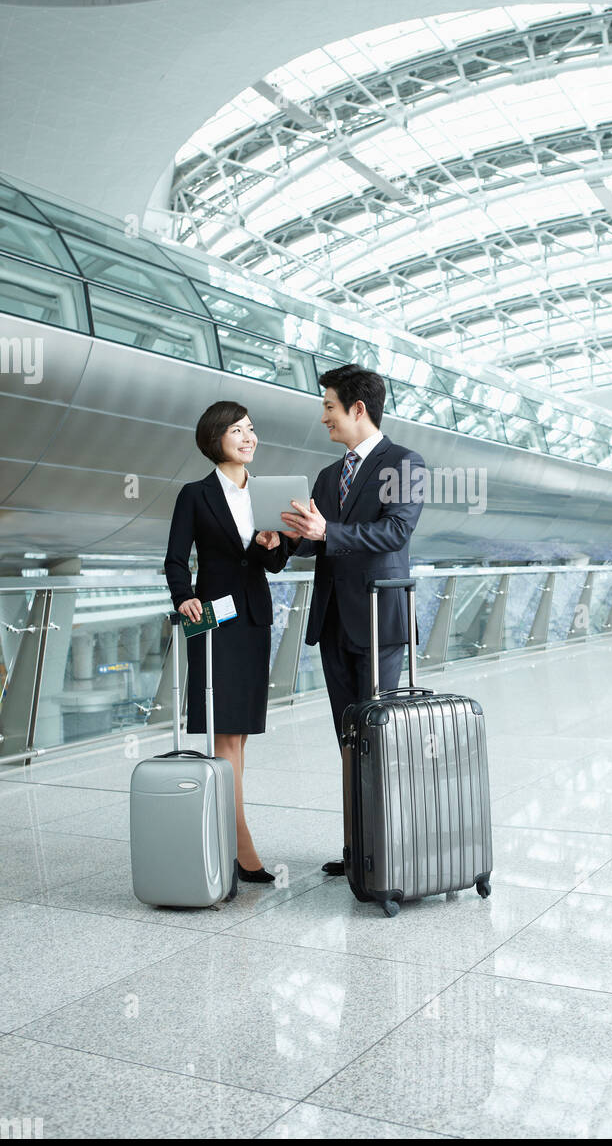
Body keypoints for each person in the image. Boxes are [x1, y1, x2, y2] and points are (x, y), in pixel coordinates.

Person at [281, 364, 425, 878]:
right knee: (348, 740)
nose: (323, 418)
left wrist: (327, 533)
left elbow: (395, 533)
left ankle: (392, 851)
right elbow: (316, 538)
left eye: (328, 407)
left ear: (357, 409)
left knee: (380, 737)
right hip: (334, 624)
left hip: (378, 620)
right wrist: (287, 538)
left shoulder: (404, 463)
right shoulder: (327, 475)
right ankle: (359, 847)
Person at [164, 401, 290, 884]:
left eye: (252, 430)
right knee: (222, 734)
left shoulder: (266, 493)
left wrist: (273, 546)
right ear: (215, 438)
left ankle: (233, 840)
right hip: (213, 621)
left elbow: (274, 563)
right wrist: (183, 598)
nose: (248, 438)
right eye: (237, 430)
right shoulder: (195, 495)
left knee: (238, 735)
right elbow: (176, 559)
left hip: (254, 619)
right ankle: (239, 845)